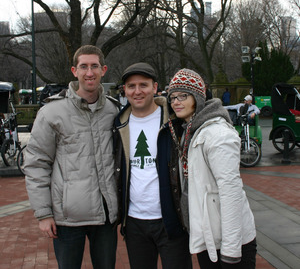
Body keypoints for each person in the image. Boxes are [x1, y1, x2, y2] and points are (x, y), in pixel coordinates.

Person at [24, 45, 119, 269]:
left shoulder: (113, 111)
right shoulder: (52, 112)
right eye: (83, 66)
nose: (89, 72)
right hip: (67, 218)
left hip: (106, 216)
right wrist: (43, 213)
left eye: (94, 66)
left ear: (103, 70)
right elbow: (37, 163)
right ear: (74, 71)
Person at [167, 68, 257, 269]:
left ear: (198, 98)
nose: (176, 101)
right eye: (172, 97)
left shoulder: (217, 133)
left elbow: (231, 191)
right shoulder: (190, 130)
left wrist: (231, 252)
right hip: (209, 238)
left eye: (183, 95)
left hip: (227, 243)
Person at [113, 62, 192, 269]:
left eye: (143, 85)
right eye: (131, 86)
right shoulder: (118, 123)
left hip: (171, 220)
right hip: (134, 222)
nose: (137, 91)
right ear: (125, 90)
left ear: (155, 87)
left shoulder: (175, 120)